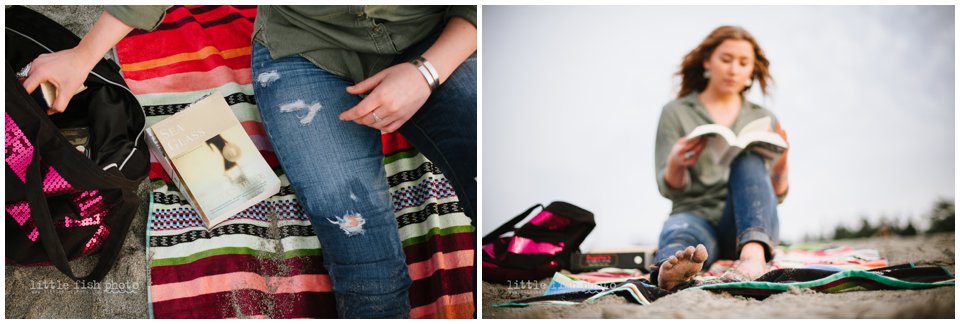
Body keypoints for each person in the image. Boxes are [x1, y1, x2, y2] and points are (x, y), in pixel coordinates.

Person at [22, 5, 477, 318]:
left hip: (439, 36)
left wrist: (426, 73)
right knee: (358, 237)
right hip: (305, 50)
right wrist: (83, 56)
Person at [651, 25, 789, 291]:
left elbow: (777, 195)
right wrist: (676, 163)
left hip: (747, 221)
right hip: (694, 213)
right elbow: (667, 187)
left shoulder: (763, 118)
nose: (733, 69)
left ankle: (753, 257)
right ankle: (672, 268)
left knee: (748, 160)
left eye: (743, 63)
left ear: (751, 70)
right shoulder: (675, 112)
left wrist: (782, 162)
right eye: (726, 60)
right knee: (681, 235)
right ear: (707, 62)